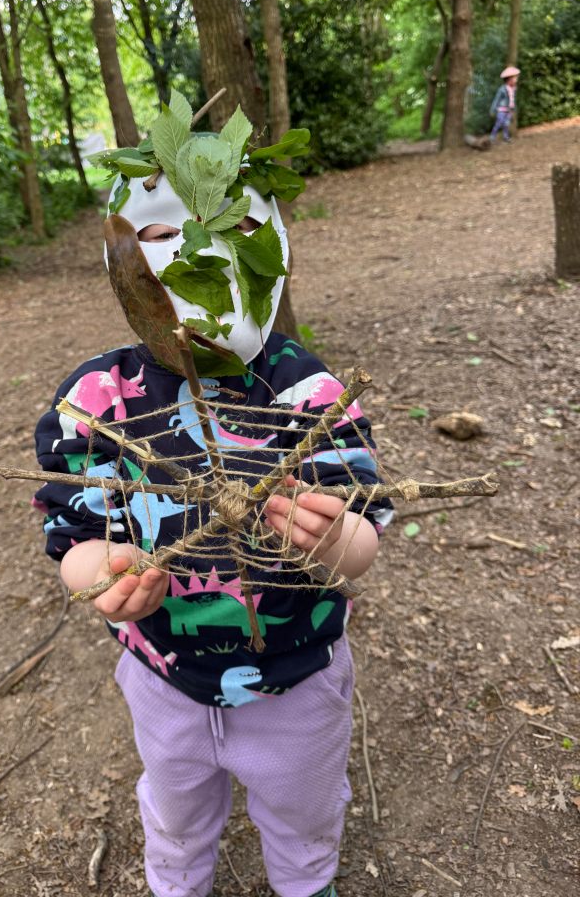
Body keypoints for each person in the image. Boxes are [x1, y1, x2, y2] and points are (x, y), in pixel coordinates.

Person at [33, 93, 393, 897]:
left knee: (304, 811)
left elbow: (364, 536)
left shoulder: (310, 394)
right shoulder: (97, 401)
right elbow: (72, 532)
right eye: (161, 235)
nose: (199, 255)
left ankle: (306, 880)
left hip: (299, 680)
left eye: (238, 227)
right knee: (175, 810)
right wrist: (101, 573)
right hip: (163, 677)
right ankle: (177, 881)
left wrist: (336, 539)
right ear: (122, 261)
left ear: (275, 247)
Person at [490, 65, 520, 142]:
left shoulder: (513, 89)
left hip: (509, 110)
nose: (516, 79)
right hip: (501, 110)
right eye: (515, 78)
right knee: (499, 123)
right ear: (509, 79)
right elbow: (496, 99)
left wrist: (514, 109)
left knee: (506, 124)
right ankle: (492, 137)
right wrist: (493, 109)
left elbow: (513, 100)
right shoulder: (502, 89)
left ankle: (506, 137)